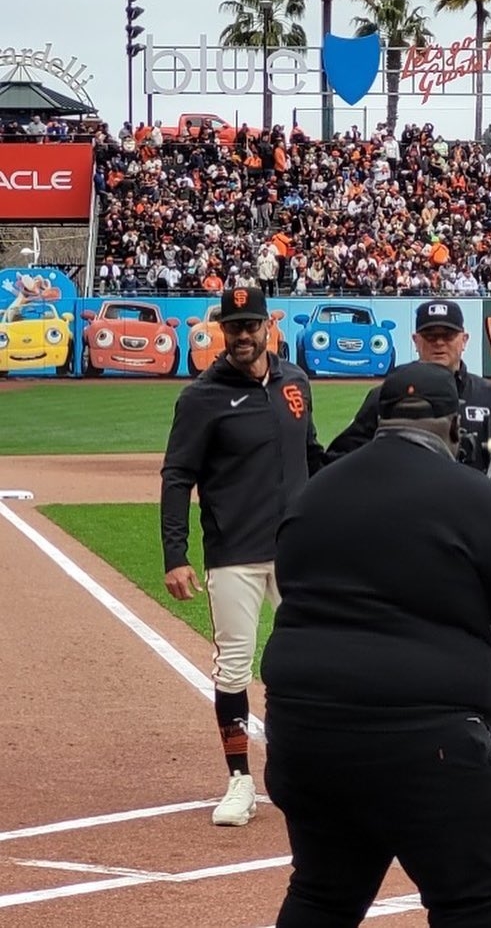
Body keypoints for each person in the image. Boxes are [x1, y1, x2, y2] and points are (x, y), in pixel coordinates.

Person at [262, 362, 491, 927]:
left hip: (307, 731)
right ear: (456, 429)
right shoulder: (474, 495)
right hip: (430, 740)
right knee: (466, 904)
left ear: (378, 419)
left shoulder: (316, 492)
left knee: (322, 893)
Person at [326, 299, 491, 800]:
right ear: (415, 341)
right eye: (429, 334)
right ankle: (416, 760)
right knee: (414, 660)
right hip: (414, 555)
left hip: (484, 555)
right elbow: (338, 459)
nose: (439, 342)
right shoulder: (388, 396)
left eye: (447, 334)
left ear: (464, 340)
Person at [160, 286, 325, 827]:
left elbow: (312, 455)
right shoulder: (201, 398)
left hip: (298, 551)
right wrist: (175, 554)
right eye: (234, 328)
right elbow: (177, 476)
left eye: (252, 325)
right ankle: (239, 781)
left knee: (306, 665)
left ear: (267, 327)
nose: (244, 336)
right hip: (234, 553)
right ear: (222, 332)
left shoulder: (295, 382)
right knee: (234, 666)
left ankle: (300, 771)